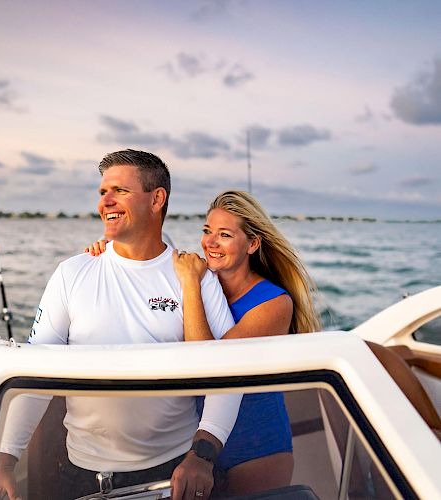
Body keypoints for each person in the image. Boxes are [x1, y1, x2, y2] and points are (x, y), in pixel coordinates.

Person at [0, 150, 241, 500]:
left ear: (157, 199)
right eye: (101, 192)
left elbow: (230, 370)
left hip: (173, 472)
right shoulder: (72, 273)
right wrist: (5, 460)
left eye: (119, 191)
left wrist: (202, 456)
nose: (105, 201)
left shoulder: (194, 276)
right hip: (80, 472)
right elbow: (37, 373)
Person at [87, 190, 321, 496]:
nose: (210, 242)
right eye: (207, 231)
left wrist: (191, 284)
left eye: (224, 235)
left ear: (252, 244)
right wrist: (110, 252)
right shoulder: (199, 277)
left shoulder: (274, 303)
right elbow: (145, 252)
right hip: (192, 442)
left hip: (255, 446)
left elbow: (209, 366)